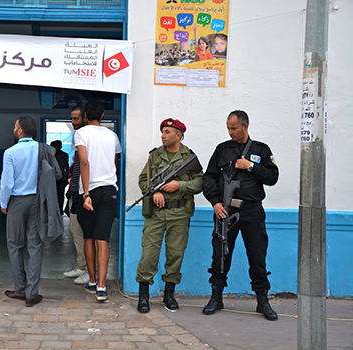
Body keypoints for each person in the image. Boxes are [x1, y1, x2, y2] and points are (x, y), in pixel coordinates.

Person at [202, 110, 279, 321]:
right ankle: (216, 297)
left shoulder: (260, 149)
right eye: (228, 128)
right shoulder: (222, 150)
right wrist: (215, 203)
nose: (230, 132)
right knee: (220, 254)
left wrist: (251, 167)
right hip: (225, 211)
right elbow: (208, 178)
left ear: (245, 126)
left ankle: (262, 301)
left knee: (257, 255)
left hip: (252, 211)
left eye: (234, 128)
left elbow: (273, 177)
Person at [136, 118, 203, 314]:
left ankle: (169, 294)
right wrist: (153, 192)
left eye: (167, 132)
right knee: (149, 254)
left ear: (178, 135)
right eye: (162, 132)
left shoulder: (188, 157)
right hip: (156, 214)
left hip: (180, 213)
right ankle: (144, 295)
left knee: (175, 254)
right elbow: (143, 179)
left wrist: (179, 185)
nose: (163, 136)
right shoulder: (155, 156)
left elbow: (200, 182)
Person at [0, 116, 61, 307]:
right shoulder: (42, 149)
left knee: (14, 245)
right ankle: (32, 293)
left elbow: (7, 183)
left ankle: (20, 288)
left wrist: (3, 203)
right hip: (37, 201)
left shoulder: (10, 153)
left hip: (17, 203)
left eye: (15, 125)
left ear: (19, 131)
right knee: (35, 246)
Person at [74, 98, 121, 302]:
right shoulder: (112, 136)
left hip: (89, 190)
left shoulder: (81, 133)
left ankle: (92, 281)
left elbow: (83, 161)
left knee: (89, 236)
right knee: (103, 238)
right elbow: (116, 162)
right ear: (102, 116)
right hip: (109, 189)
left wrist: (86, 194)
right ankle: (102, 287)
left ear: (85, 117)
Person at [63, 106, 89, 285]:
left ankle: (89, 270)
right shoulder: (77, 137)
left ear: (85, 118)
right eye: (71, 119)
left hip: (84, 193)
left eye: (76, 119)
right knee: (75, 229)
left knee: (86, 232)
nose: (73, 123)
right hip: (75, 192)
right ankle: (81, 265)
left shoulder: (87, 137)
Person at [50, 140, 69, 215]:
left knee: (60, 194)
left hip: (61, 179)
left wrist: (66, 178)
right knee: (53, 195)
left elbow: (66, 167)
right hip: (52, 178)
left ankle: (59, 209)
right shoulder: (50, 156)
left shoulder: (64, 155)